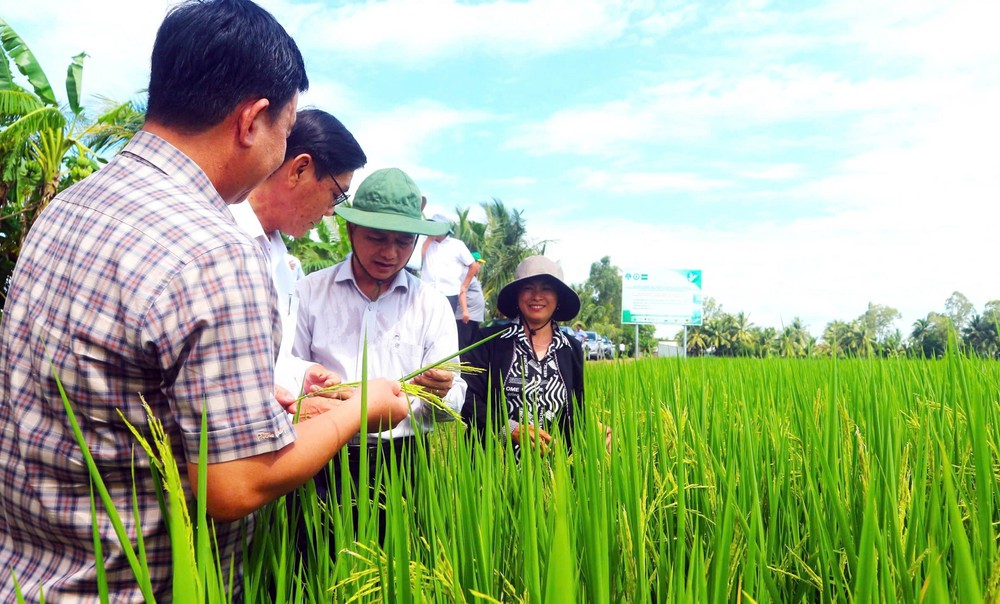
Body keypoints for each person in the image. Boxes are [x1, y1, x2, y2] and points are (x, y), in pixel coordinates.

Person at [0, 2, 407, 601]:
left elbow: (115, 388)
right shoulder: (213, 249)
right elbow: (235, 486)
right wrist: (361, 408)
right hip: (128, 584)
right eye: (286, 131)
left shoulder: (71, 206)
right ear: (252, 121)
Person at [292, 168, 465, 532]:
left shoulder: (431, 304)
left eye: (403, 242)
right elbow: (286, 375)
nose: (390, 253)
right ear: (351, 230)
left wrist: (442, 392)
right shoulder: (310, 293)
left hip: (402, 461)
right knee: (314, 565)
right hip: (323, 455)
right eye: (376, 238)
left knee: (401, 573)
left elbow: (456, 394)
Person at [229, 108, 366, 396]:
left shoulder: (286, 266)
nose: (331, 211)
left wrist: (303, 374)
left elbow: (269, 363)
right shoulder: (221, 239)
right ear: (300, 169)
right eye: (335, 194)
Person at [462, 256, 608, 456]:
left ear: (558, 298)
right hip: (494, 466)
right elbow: (466, 397)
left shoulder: (570, 348)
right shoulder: (489, 341)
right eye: (528, 288)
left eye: (546, 288)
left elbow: (575, 406)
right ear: (517, 295)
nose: (537, 296)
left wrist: (595, 427)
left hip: (555, 468)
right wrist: (507, 428)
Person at [421, 214, 480, 318]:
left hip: (449, 292)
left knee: (444, 325)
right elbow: (418, 257)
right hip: (427, 290)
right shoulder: (425, 242)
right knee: (425, 321)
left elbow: (473, 266)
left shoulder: (457, 245)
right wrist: (429, 240)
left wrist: (464, 286)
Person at [456, 251, 487, 348]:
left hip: (472, 318)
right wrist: (465, 311)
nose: (479, 266)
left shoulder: (472, 277)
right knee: (463, 345)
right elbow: (461, 291)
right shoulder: (465, 273)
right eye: (479, 263)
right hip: (465, 318)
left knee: (471, 346)